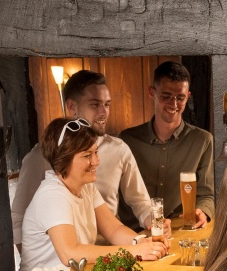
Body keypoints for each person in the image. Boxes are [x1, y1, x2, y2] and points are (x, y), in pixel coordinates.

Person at [12, 70, 163, 250]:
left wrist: (147, 233)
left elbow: (131, 210)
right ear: (72, 107)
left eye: (107, 104)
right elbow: (20, 223)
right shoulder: (41, 160)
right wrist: (36, 270)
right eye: (95, 104)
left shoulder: (117, 151)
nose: (103, 112)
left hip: (112, 249)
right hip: (65, 264)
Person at [19, 116, 169, 271]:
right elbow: (71, 254)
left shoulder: (86, 187)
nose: (96, 161)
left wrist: (141, 241)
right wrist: (133, 252)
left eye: (96, 152)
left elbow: (113, 229)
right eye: (86, 155)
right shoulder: (52, 195)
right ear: (63, 159)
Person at [120, 61, 214, 229]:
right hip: (133, 232)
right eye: (166, 96)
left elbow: (206, 194)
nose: (174, 104)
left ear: (188, 96)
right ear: (152, 92)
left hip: (179, 229)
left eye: (180, 97)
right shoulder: (127, 140)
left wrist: (203, 211)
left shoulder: (203, 140)